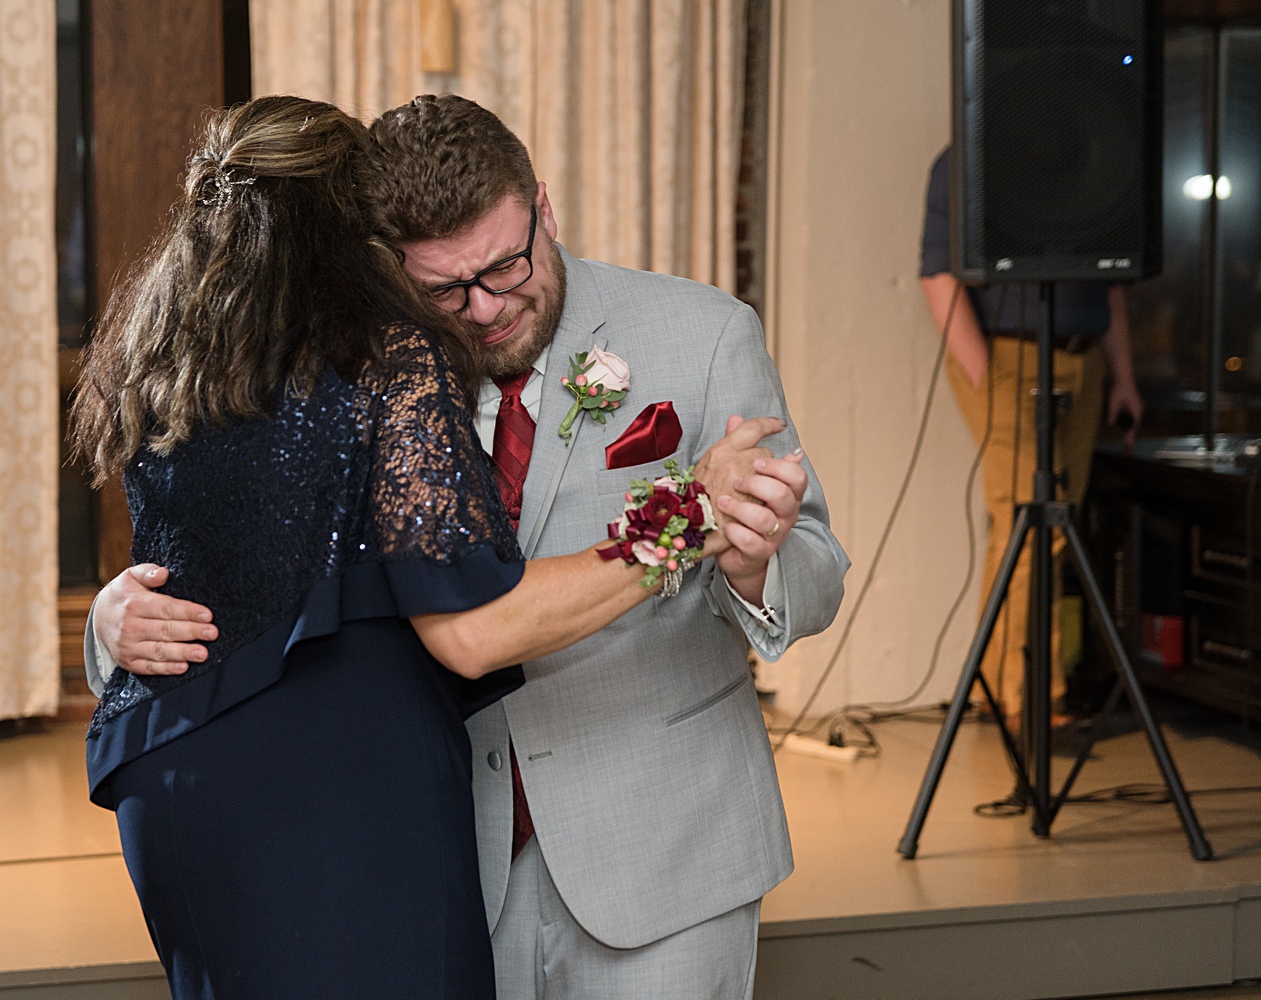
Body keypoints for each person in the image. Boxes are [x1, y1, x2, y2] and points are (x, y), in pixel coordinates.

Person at [92, 95, 850, 1000]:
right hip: (443, 845)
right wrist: (113, 618)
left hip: (661, 851)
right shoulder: (364, 358)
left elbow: (816, 563)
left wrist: (756, 562)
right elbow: (261, 531)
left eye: (506, 266)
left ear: (542, 206)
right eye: (446, 289)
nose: (486, 309)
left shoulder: (704, 331)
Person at [918, 146, 1144, 725]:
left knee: (1054, 515)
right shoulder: (963, 160)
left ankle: (997, 684)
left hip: (1083, 357)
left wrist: (1124, 379)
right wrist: (983, 373)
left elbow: (1109, 281)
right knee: (1030, 518)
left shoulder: (1088, 154)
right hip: (1006, 357)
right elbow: (939, 274)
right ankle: (1030, 696)